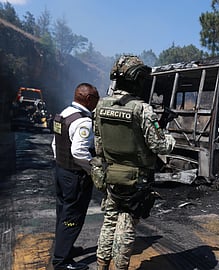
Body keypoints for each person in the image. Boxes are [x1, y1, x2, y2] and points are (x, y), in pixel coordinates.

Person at [94, 55, 175, 270]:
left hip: (110, 175)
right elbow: (161, 146)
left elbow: (99, 146)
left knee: (110, 220)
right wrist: (169, 137)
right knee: (126, 224)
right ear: (137, 80)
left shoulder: (100, 106)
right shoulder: (142, 109)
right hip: (136, 179)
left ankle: (101, 265)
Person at [51, 83, 100, 270]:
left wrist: (61, 163)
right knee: (72, 217)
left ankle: (65, 249)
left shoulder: (63, 114)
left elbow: (55, 145)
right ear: (88, 99)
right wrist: (92, 169)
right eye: (96, 99)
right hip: (74, 176)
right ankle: (61, 262)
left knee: (63, 213)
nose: (97, 103)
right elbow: (79, 152)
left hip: (61, 171)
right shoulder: (84, 121)